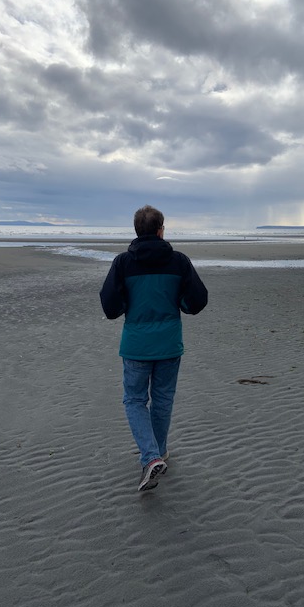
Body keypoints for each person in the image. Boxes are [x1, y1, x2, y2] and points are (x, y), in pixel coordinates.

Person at [100, 205, 208, 491]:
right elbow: (197, 300)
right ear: (161, 230)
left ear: (137, 231)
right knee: (162, 399)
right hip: (168, 343)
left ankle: (151, 457)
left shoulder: (123, 263)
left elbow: (110, 306)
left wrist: (127, 305)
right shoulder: (178, 261)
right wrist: (180, 303)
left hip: (137, 344)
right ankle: (157, 453)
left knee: (135, 400)